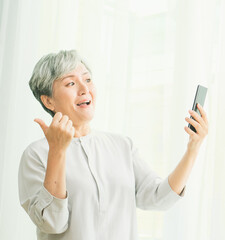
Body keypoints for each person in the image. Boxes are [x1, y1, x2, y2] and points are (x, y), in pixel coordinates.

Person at [18, 49, 209, 240]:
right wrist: (57, 151)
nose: (84, 89)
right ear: (48, 100)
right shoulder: (36, 154)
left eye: (88, 79)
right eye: (71, 83)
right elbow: (53, 223)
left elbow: (159, 198)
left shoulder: (122, 145)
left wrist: (193, 148)